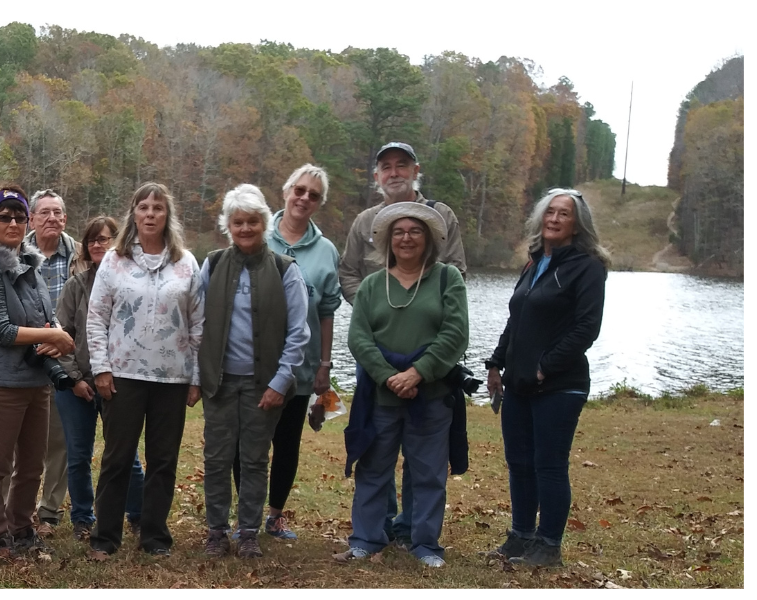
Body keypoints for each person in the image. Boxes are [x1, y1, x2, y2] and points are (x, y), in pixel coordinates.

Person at [338, 142, 468, 547]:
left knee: (426, 463)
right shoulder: (365, 227)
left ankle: (419, 535)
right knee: (376, 459)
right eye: (385, 167)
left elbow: (455, 323)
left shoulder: (443, 222)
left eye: (401, 165)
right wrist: (379, 316)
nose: (394, 172)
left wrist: (419, 368)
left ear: (415, 170)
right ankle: (372, 533)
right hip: (380, 369)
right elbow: (348, 275)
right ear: (377, 176)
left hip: (430, 375)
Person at [484, 188, 609, 567]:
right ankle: (521, 536)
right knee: (519, 462)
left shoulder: (587, 266)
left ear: (577, 224)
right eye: (549, 212)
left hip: (559, 384)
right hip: (519, 384)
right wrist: (496, 363)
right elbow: (516, 319)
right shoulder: (534, 263)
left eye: (564, 214)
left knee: (549, 464)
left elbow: (587, 328)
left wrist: (545, 366)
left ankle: (548, 545)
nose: (554, 219)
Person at [85, 182, 204, 558]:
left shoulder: (186, 263)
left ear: (168, 216)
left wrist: (196, 376)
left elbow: (199, 324)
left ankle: (154, 537)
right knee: (117, 458)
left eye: (158, 208)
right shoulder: (115, 261)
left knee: (163, 460)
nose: (150, 214)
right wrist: (101, 368)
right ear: (133, 214)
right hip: (123, 375)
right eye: (143, 208)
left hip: (172, 378)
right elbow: (96, 318)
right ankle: (105, 538)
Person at [198, 184, 310, 559]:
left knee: (254, 459)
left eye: (252, 221)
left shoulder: (285, 270)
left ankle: (248, 532)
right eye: (238, 222)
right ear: (228, 225)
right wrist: (196, 376)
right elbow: (194, 323)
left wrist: (281, 382)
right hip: (219, 382)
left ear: (264, 223)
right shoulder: (212, 264)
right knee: (216, 458)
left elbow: (299, 332)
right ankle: (216, 532)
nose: (245, 228)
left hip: (265, 385)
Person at [235, 164, 342, 541]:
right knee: (244, 442)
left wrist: (324, 364)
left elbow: (326, 312)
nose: (304, 198)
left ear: (319, 203)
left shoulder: (326, 251)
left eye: (313, 195)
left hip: (299, 363)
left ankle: (276, 515)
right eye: (299, 190)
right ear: (285, 192)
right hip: (250, 362)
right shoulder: (259, 234)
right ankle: (245, 512)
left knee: (286, 442)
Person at [0, 186, 75, 558]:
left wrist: (53, 336)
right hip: (0, 382)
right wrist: (52, 335)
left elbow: (43, 318)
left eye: (18, 216)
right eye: (4, 216)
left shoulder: (31, 265)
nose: (13, 222)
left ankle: (22, 528)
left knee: (32, 465)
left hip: (36, 380)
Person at [55, 216, 146, 542]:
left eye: (105, 239)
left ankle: (138, 515)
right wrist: (75, 379)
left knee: (126, 456)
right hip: (76, 385)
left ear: (117, 244)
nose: (97, 245)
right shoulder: (75, 287)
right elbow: (60, 337)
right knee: (78, 456)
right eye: (92, 240)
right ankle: (82, 517)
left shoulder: (133, 286)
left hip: (119, 386)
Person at [24, 189, 79, 537]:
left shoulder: (79, 256)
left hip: (65, 358)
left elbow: (90, 306)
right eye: (44, 213)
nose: (52, 219)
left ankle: (49, 512)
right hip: (22, 358)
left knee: (59, 441)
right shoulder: (13, 251)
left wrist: (64, 341)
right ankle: (15, 508)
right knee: (20, 441)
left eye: (57, 213)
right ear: (31, 219)